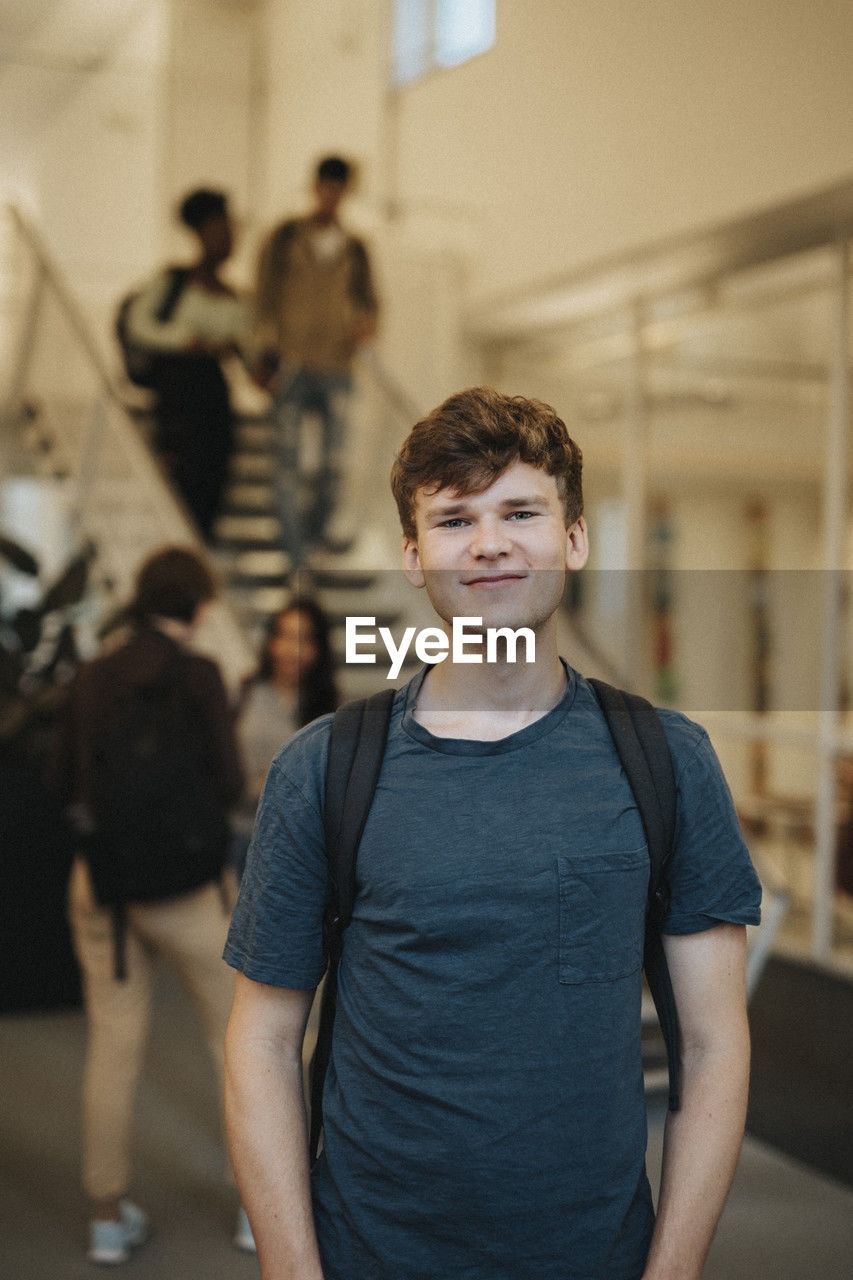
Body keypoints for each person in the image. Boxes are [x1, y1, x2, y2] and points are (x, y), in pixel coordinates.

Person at [222, 388, 762, 1280]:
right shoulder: (325, 768)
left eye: (520, 511)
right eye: (452, 519)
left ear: (576, 538)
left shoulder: (665, 760)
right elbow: (262, 1043)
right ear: (410, 553)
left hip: (595, 1257)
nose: (488, 544)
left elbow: (711, 1046)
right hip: (369, 1254)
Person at [48, 546, 252, 1263]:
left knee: (112, 1046)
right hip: (186, 895)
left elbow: (65, 781)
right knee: (236, 1042)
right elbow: (228, 783)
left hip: (100, 886)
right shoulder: (198, 677)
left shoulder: (93, 675)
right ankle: (253, 1210)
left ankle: (107, 1214)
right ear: (197, 607)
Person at [254, 155, 380, 568]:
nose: (331, 195)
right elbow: (264, 296)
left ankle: (315, 536)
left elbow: (370, 304)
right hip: (291, 361)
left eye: (338, 188)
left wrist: (363, 326)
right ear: (315, 186)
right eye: (326, 186)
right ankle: (294, 552)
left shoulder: (356, 248)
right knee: (287, 460)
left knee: (333, 461)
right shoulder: (286, 236)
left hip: (337, 366)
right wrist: (264, 351)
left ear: (345, 192)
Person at [126, 188, 250, 540]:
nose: (228, 240)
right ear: (200, 234)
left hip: (214, 397)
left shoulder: (236, 297)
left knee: (212, 479)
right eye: (220, 231)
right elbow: (140, 323)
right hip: (179, 397)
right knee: (181, 479)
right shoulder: (174, 281)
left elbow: (250, 351)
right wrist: (184, 341)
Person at [232, 597, 339, 878]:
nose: (292, 650)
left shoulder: (330, 710)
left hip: (301, 846)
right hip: (243, 836)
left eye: (304, 640)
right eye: (284, 636)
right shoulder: (244, 694)